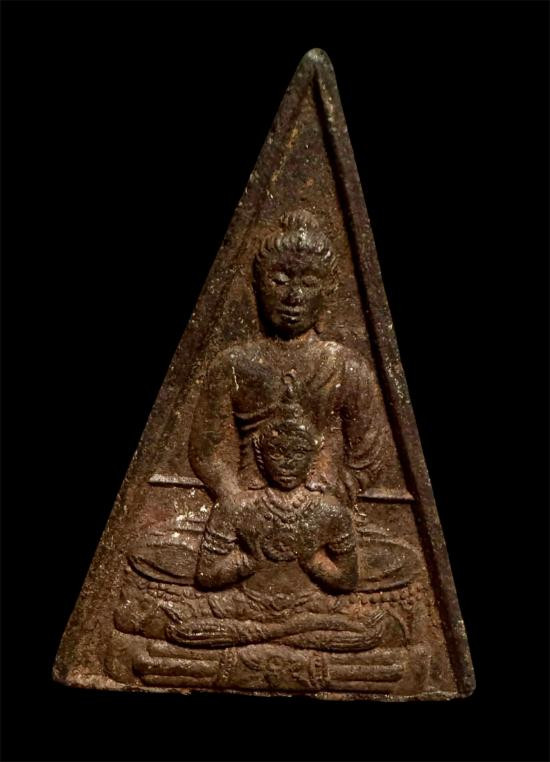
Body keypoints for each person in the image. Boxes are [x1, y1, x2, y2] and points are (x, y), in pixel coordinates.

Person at [188, 209, 392, 519]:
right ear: (257, 285)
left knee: (397, 550)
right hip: (248, 508)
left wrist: (327, 505)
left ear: (328, 291)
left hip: (322, 512)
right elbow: (205, 452)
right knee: (153, 545)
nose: (293, 296)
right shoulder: (233, 364)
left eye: (309, 283)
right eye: (280, 280)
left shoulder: (346, 366)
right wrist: (235, 499)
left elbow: (368, 455)